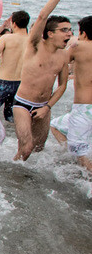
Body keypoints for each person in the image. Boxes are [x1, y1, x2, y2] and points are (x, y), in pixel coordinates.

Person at [13, 0, 80, 161]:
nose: (69, 33)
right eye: (64, 30)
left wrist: (47, 107)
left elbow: (62, 86)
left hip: (44, 106)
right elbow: (43, 15)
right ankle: (11, 181)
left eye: (70, 30)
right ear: (50, 34)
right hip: (22, 104)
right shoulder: (34, 46)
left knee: (38, 151)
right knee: (26, 148)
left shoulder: (64, 55)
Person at [50, 16, 92, 173]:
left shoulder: (79, 46)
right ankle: (74, 159)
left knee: (81, 155)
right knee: (56, 125)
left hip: (84, 109)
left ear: (85, 34)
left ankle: (84, 168)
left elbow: (60, 60)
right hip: (85, 111)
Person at [0, 10, 30, 122]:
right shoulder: (31, 40)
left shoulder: (6, 38)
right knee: (11, 116)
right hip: (21, 83)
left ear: (14, 24)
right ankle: (12, 137)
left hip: (3, 82)